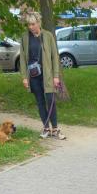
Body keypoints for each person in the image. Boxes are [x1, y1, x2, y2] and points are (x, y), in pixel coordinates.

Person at [20, 12, 66, 140]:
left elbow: (55, 56)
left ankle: (55, 129)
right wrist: (24, 77)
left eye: (33, 24)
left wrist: (56, 76)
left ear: (38, 23)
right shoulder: (25, 37)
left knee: (50, 100)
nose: (30, 27)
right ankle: (46, 128)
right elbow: (23, 58)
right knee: (40, 102)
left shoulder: (48, 36)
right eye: (29, 24)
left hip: (48, 75)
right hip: (34, 75)